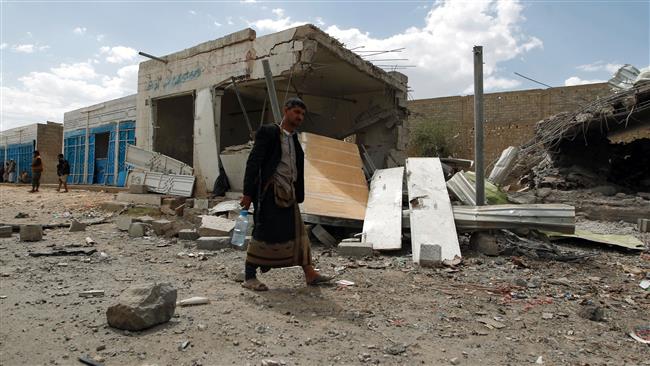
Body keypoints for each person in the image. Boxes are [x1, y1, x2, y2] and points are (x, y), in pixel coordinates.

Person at [240, 97, 331, 291]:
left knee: (299, 234)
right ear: (286, 111)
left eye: (302, 114)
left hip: (289, 194)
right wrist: (248, 194)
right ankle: (249, 276)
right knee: (263, 232)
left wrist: (299, 194)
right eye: (296, 112)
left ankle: (310, 273)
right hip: (270, 192)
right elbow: (253, 162)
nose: (300, 117)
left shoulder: (295, 140)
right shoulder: (269, 132)